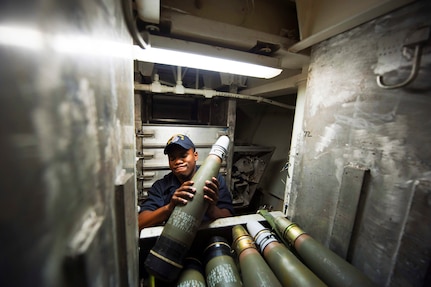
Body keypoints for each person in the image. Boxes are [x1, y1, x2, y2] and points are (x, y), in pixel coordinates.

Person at [138, 134, 234, 230]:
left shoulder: (213, 180)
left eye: (183, 155)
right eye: (172, 158)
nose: (178, 161)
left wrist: (210, 209)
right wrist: (169, 208)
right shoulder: (161, 186)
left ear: (195, 156)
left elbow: (229, 219)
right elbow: (140, 223)